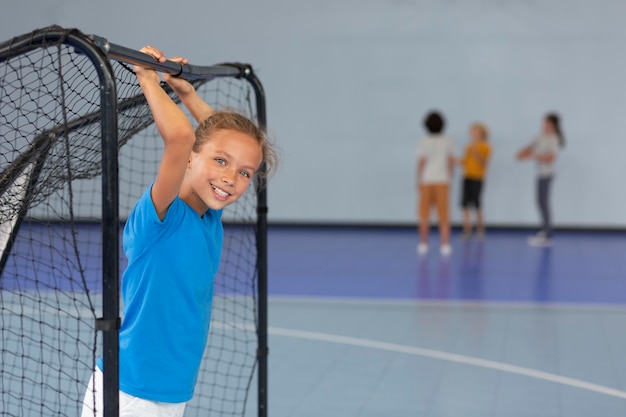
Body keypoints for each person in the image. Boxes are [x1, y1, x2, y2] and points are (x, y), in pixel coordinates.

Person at [81, 46, 277, 417]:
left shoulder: (208, 216)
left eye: (244, 174)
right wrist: (147, 78)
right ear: (191, 159)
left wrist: (187, 92)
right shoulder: (162, 216)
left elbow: (225, 143)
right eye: (220, 162)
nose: (230, 179)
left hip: (171, 394)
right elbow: (183, 138)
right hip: (127, 393)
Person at [516, 113, 564, 247]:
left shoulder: (554, 139)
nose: (544, 125)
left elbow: (551, 158)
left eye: (547, 123)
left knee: (544, 202)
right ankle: (544, 230)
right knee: (539, 201)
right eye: (544, 122)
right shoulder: (540, 135)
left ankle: (548, 234)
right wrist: (522, 153)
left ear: (553, 125)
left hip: (547, 174)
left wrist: (534, 156)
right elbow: (531, 145)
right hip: (540, 173)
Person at [416, 110, 455, 256]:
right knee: (444, 215)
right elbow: (451, 162)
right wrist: (450, 176)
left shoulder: (423, 141)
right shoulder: (448, 141)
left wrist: (419, 179)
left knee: (424, 215)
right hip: (442, 181)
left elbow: (421, 162)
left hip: (427, 180)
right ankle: (445, 245)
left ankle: (423, 243)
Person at [458, 122, 491, 239]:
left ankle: (480, 230)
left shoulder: (485, 146)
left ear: (482, 134)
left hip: (478, 178)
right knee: (465, 204)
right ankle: (467, 230)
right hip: (467, 177)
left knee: (477, 204)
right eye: (472, 132)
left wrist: (476, 151)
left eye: (476, 132)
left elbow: (484, 162)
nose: (473, 135)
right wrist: (454, 160)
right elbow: (465, 162)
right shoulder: (468, 147)